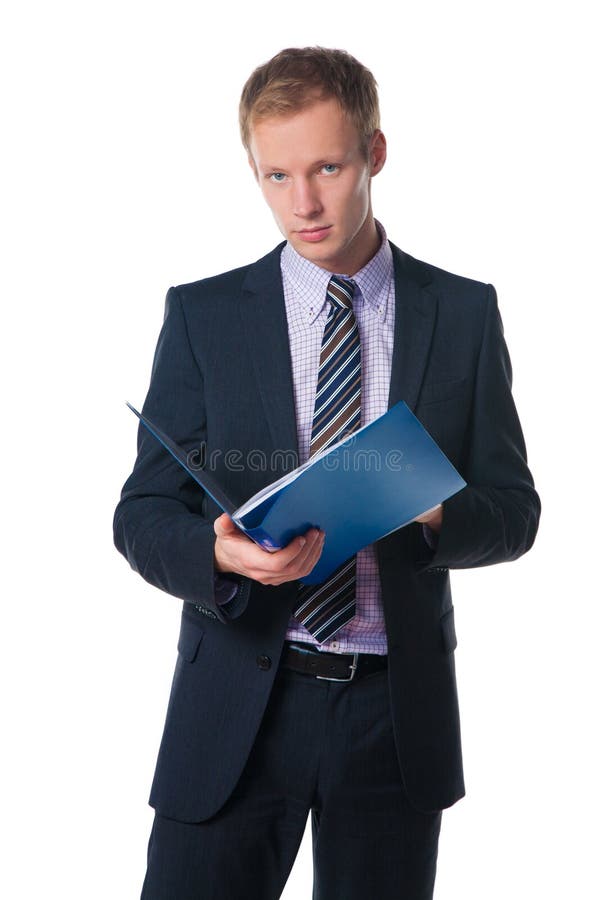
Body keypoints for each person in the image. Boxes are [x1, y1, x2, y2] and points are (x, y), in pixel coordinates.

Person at [113, 46, 541, 900]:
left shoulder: (461, 313)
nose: (302, 203)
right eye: (275, 175)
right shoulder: (204, 316)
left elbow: (514, 509)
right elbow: (142, 513)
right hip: (237, 706)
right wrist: (221, 557)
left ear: (375, 153)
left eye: (327, 168)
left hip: (392, 718)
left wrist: (429, 513)